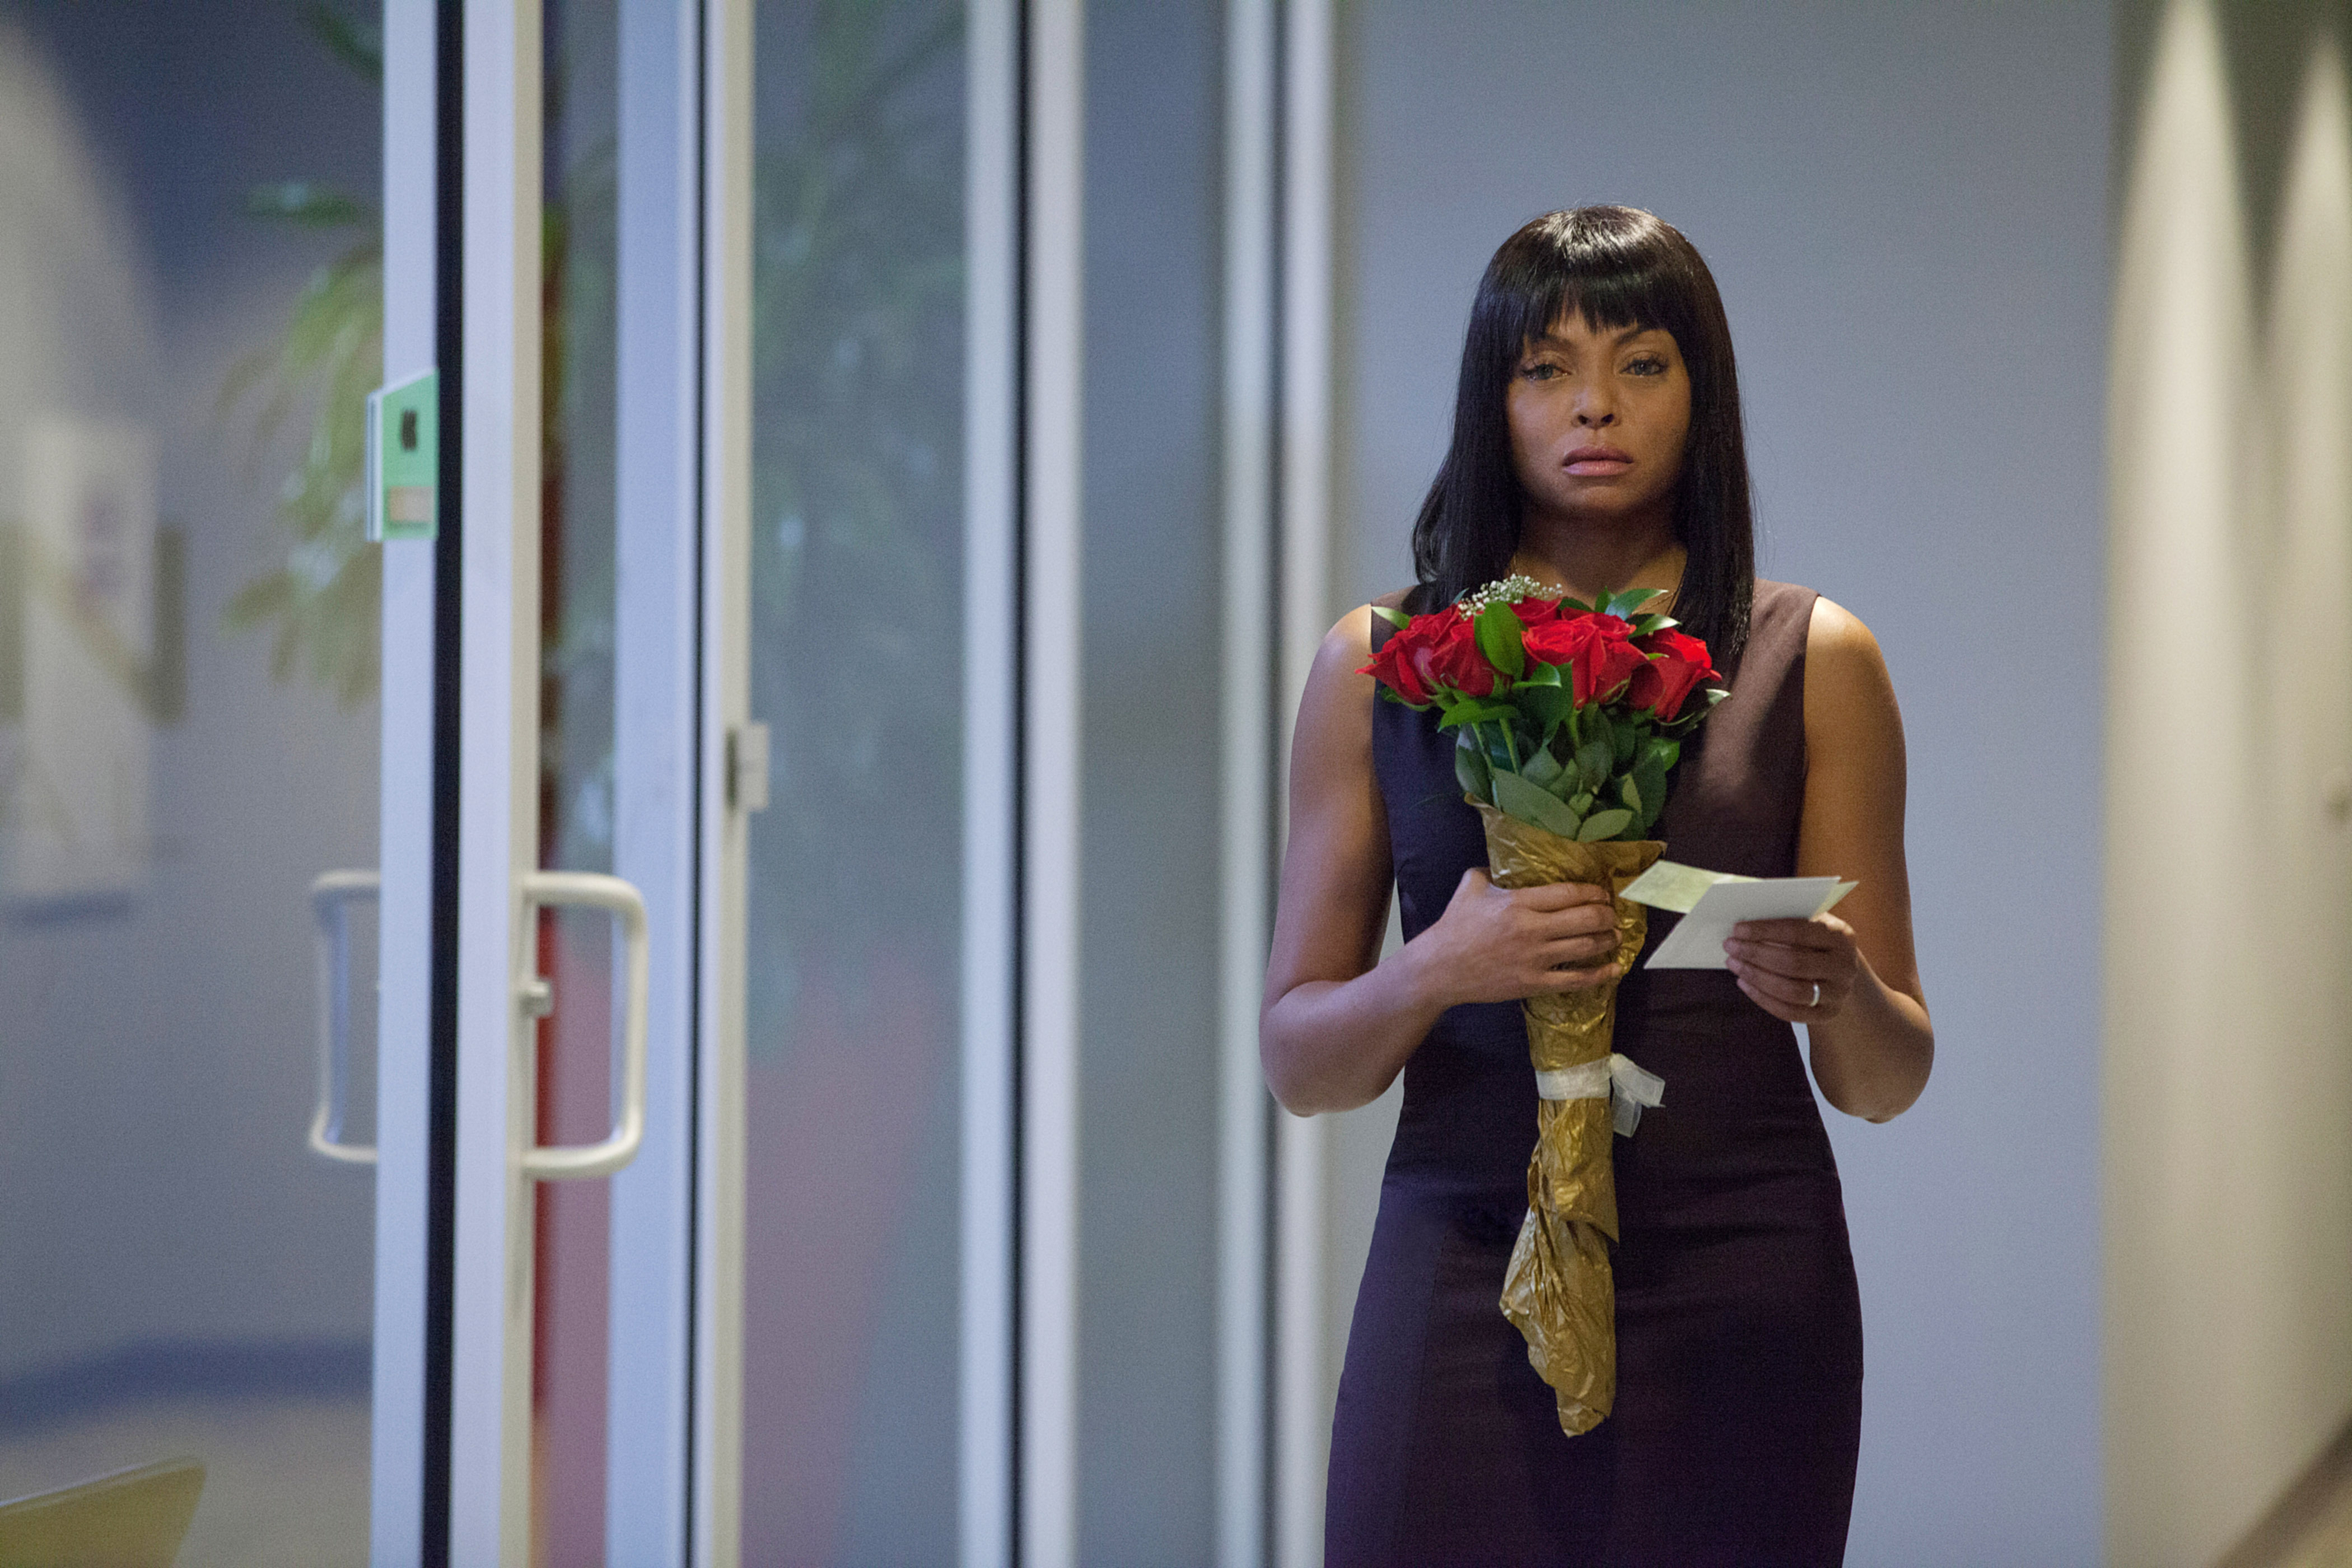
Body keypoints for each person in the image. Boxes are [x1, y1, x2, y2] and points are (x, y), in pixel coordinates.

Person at [1261, 206, 1933, 1566]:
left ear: (1701, 395)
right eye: (1543, 368)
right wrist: (1434, 968)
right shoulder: (1377, 665)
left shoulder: (1815, 656)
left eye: (1640, 363)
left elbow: (1883, 1076)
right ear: (1490, 396)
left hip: (1742, 1265)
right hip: (1460, 1251)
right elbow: (1301, 1063)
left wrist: (1839, 988)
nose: (1591, 406)